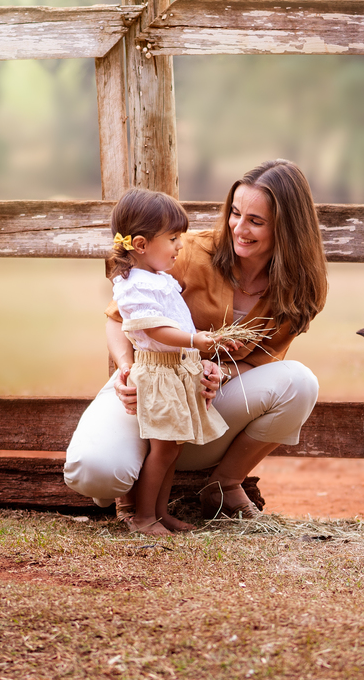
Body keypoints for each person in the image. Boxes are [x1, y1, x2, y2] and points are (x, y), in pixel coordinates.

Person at [64, 159, 329, 521]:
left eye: (256, 221)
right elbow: (117, 318)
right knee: (94, 473)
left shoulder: (300, 287)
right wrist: (127, 371)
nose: (239, 228)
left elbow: (263, 362)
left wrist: (219, 374)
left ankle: (224, 485)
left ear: (287, 227)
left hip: (204, 401)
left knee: (300, 383)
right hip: (146, 385)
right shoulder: (184, 251)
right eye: (235, 213)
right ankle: (128, 492)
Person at [106, 188, 237, 535]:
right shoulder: (135, 286)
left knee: (173, 449)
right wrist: (195, 340)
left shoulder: (158, 279)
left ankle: (160, 514)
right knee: (162, 451)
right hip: (159, 371)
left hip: (175, 370)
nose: (181, 245)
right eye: (174, 238)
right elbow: (156, 329)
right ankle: (143, 516)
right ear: (141, 244)